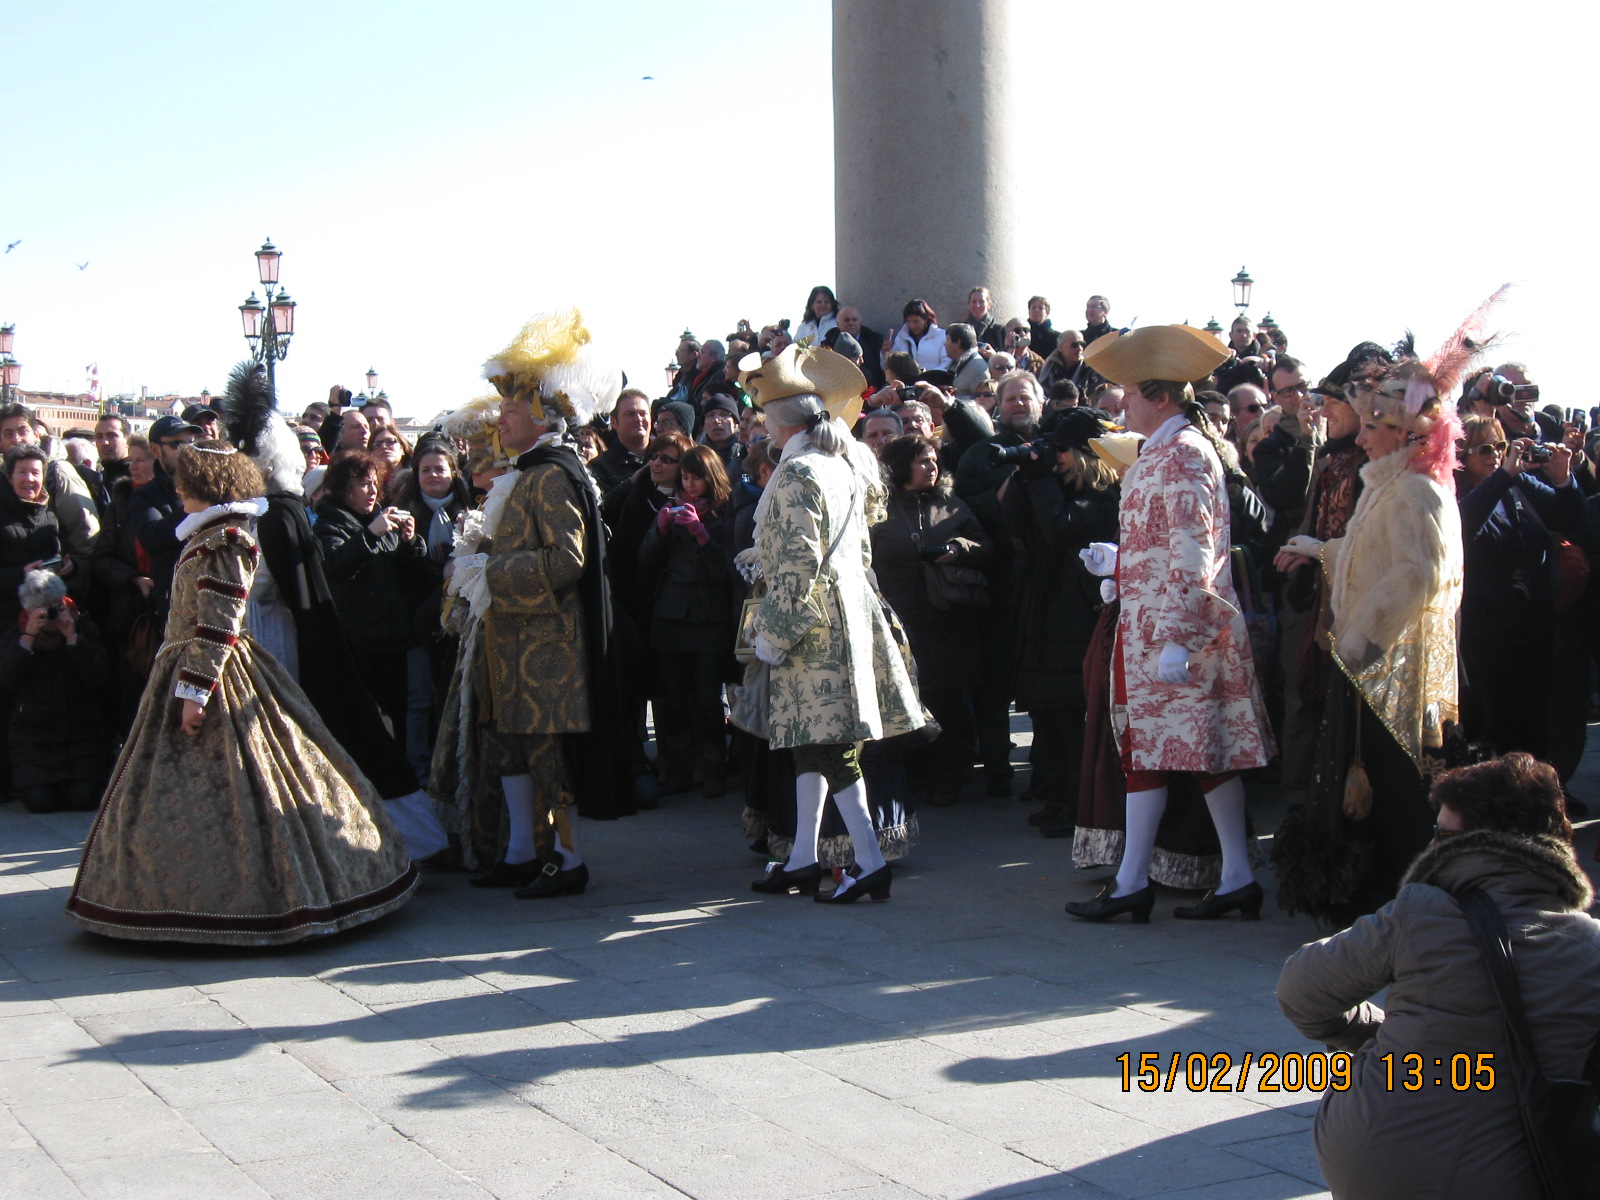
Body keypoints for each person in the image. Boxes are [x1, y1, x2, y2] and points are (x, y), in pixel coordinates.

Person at [66, 440, 418, 945]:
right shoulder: (209, 534)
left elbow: (219, 625)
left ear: (206, 484)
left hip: (213, 673)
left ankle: (280, 896)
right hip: (187, 665)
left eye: (186, 480)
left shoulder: (226, 540)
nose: (178, 487)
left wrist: (195, 691)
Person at [1277, 753, 1600, 1200]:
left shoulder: (1421, 912)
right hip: (1527, 1172)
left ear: (1471, 844)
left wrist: (1375, 1036)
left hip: (1378, 1160)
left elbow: (1299, 991)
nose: (1429, 847)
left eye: (1440, 834)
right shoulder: (1591, 945)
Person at [1065, 325, 1275, 924]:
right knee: (1198, 752)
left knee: (1157, 751)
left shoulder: (1180, 454)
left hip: (1173, 633)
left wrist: (1177, 637)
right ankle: (1231, 876)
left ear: (1158, 396)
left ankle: (1138, 882)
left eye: (1129, 393)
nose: (1122, 403)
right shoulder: (1171, 450)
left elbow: (1191, 551)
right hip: (1166, 626)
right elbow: (1170, 544)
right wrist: (1121, 563)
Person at [1273, 339, 1470, 923]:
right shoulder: (1388, 486)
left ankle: (1399, 905)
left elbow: (1417, 575)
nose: (1359, 438)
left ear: (1405, 435)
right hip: (1368, 665)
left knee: (1394, 789)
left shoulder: (1414, 491)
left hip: (1393, 672)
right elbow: (1373, 557)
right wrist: (1322, 549)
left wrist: (1360, 641)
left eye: (1371, 429)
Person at [446, 309, 634, 896]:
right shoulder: (524, 473)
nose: (499, 418)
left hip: (548, 641)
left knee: (548, 755)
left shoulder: (552, 476)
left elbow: (566, 561)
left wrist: (489, 569)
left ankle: (568, 861)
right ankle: (523, 851)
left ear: (538, 416)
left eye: (509, 409)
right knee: (510, 747)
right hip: (513, 637)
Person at [740, 344, 923, 902]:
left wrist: (771, 634)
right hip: (841, 622)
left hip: (812, 634)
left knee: (832, 749)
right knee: (807, 745)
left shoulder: (798, 471)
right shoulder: (837, 464)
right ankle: (802, 857)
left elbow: (797, 566)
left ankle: (868, 863)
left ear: (777, 420)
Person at [1000, 409, 1120, 837]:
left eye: (1063, 448)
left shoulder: (1106, 497)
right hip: (1045, 612)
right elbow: (1015, 521)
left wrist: (1041, 479)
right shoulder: (1051, 484)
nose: (1057, 456)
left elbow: (1058, 528)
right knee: (1048, 712)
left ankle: (1078, 802)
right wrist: (1024, 473)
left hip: (1078, 618)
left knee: (1074, 716)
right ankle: (1056, 793)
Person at [1453, 414, 1581, 761]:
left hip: (1531, 623)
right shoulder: (1454, 490)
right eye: (1483, 448)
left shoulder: (1517, 484)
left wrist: (1563, 479)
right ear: (1462, 454)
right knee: (1493, 723)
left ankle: (1534, 792)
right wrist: (1504, 475)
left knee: (1534, 718)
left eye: (1500, 446)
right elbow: (1463, 523)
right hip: (1486, 630)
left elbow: (1574, 519)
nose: (1494, 454)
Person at [872, 434, 991, 806]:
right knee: (904, 702)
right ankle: (911, 779)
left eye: (934, 459)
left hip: (947, 619)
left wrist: (959, 549)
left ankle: (947, 779)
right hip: (898, 619)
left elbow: (985, 546)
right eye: (922, 460)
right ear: (901, 465)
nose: (932, 466)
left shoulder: (950, 504)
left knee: (948, 704)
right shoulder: (878, 508)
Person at [637, 445, 740, 798]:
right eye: (686, 477)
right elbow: (645, 562)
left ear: (710, 478)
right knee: (673, 697)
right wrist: (661, 530)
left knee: (707, 699)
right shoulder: (669, 506)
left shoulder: (725, 513)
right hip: (670, 615)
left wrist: (703, 536)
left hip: (709, 618)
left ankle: (713, 768)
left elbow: (730, 571)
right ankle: (677, 767)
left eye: (697, 478)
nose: (690, 484)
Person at [314, 451, 427, 738]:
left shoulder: (381, 520)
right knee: (372, 726)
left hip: (394, 640)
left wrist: (410, 542)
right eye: (363, 484)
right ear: (343, 488)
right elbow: (337, 567)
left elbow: (412, 577)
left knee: (402, 718)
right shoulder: (328, 525)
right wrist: (370, 535)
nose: (372, 490)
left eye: (375, 483)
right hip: (359, 644)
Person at [0, 570, 110, 813]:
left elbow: (99, 677)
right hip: (33, 736)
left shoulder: (83, 626)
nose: (51, 614)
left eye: (56, 606)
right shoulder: (15, 633)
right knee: (40, 803)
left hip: (80, 732)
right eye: (44, 608)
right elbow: (7, 680)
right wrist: (28, 638)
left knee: (83, 799)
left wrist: (73, 639)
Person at [890, 299, 949, 371]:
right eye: (909, 322)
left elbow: (947, 363)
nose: (912, 326)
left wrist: (929, 376)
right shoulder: (901, 338)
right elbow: (892, 368)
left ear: (926, 319)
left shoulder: (941, 336)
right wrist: (885, 355)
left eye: (916, 321)